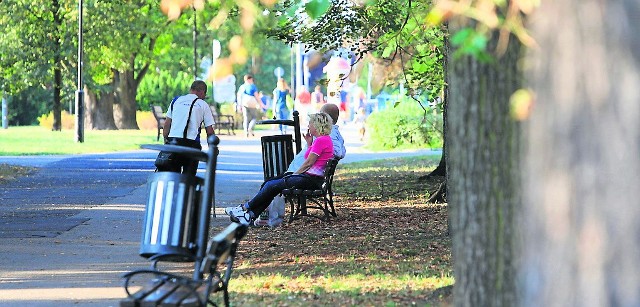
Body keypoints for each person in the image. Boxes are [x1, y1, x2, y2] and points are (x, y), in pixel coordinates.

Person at [224, 112, 334, 225]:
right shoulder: (323, 140)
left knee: (271, 185)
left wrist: (294, 174)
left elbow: (309, 163)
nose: (308, 126)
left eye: (310, 123)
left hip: (309, 180)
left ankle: (244, 209)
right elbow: (313, 160)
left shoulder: (321, 141)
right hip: (311, 178)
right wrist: (309, 143)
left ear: (316, 125)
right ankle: (248, 215)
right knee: (270, 182)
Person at [161, 80, 215, 176]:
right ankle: (187, 187)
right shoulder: (203, 105)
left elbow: (167, 125)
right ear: (202, 92)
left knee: (173, 176)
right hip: (192, 145)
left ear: (191, 89)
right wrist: (212, 149)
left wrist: (166, 142)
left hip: (173, 143)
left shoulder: (175, 100)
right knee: (189, 177)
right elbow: (210, 132)